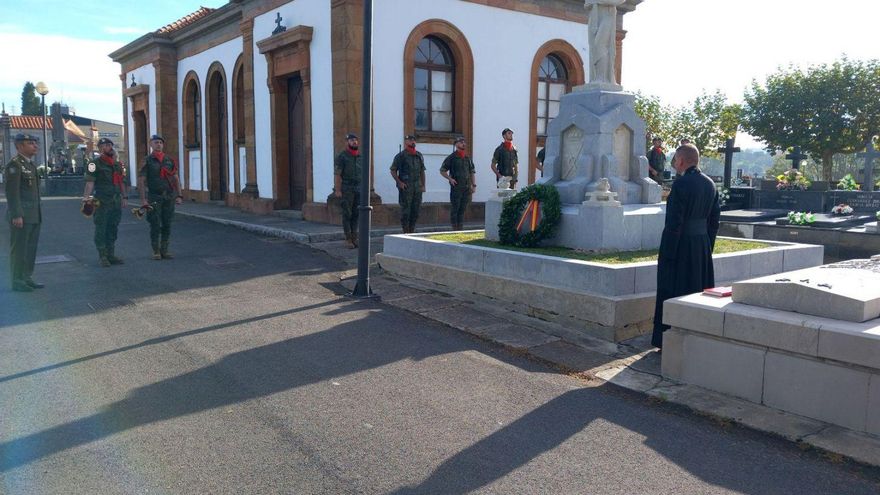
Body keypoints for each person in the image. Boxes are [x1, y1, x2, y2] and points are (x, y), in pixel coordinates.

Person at [652, 143, 721, 349]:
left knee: (674, 289)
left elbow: (674, 222)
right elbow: (714, 221)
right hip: (701, 245)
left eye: (675, 160)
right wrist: (708, 246)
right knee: (697, 289)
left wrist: (668, 254)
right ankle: (697, 336)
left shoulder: (681, 185)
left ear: (681, 161)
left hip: (680, 247)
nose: (674, 164)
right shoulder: (710, 184)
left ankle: (668, 339)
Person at [4, 133, 43, 292]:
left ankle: (27, 276)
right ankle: (17, 280)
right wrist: (16, 215)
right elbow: (12, 193)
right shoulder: (15, 165)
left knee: (30, 248)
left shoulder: (31, 166)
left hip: (34, 214)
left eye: (35, 143)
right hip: (22, 216)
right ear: (19, 146)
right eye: (30, 143)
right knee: (19, 248)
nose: (35, 146)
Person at [83, 137, 128, 267]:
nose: (107, 147)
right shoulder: (93, 164)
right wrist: (86, 199)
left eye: (109, 145)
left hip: (115, 200)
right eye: (104, 145)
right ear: (100, 148)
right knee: (101, 228)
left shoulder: (117, 165)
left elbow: (121, 182)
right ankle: (102, 255)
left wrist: (125, 197)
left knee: (113, 227)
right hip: (101, 200)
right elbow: (90, 182)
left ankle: (111, 254)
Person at [138, 135, 182, 260]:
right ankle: (156, 250)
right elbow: (141, 180)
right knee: (155, 224)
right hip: (154, 197)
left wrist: (179, 195)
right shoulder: (147, 160)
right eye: (156, 142)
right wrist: (143, 199)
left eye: (161, 143)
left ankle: (165, 250)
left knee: (167, 224)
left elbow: (175, 178)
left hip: (168, 196)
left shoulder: (169, 160)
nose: (159, 144)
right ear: (151, 144)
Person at [390, 134, 426, 233]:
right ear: (406, 142)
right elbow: (393, 170)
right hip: (406, 187)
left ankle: (412, 230)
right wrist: (399, 182)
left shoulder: (419, 155)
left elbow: (422, 171)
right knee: (406, 211)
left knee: (416, 211)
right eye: (410, 140)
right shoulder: (401, 156)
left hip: (417, 187)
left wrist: (423, 185)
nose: (413, 142)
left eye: (414, 140)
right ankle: (405, 231)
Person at [440, 136, 476, 231]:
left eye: (464, 142)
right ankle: (454, 228)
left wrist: (473, 185)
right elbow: (442, 170)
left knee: (462, 209)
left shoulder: (467, 158)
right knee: (455, 208)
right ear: (456, 144)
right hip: (456, 187)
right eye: (461, 142)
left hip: (466, 187)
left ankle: (460, 228)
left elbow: (472, 172)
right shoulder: (451, 158)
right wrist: (450, 178)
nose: (463, 144)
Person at [334, 133, 361, 248]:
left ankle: (355, 237)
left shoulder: (360, 156)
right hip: (347, 188)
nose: (354, 142)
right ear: (347, 143)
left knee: (356, 213)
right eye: (351, 140)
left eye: (355, 140)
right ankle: (348, 239)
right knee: (347, 213)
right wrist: (338, 189)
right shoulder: (342, 156)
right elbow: (338, 174)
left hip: (358, 188)